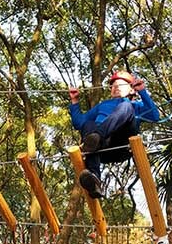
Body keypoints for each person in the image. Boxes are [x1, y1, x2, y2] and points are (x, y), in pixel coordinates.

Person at [68, 70, 159, 198]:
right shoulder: (103, 105)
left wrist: (142, 91)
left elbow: (154, 116)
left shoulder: (134, 105)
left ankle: (97, 137)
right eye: (113, 85)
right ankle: (94, 180)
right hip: (102, 149)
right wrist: (75, 101)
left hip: (121, 144)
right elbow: (79, 123)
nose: (116, 87)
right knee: (89, 125)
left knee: (126, 106)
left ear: (132, 90)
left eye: (120, 85)